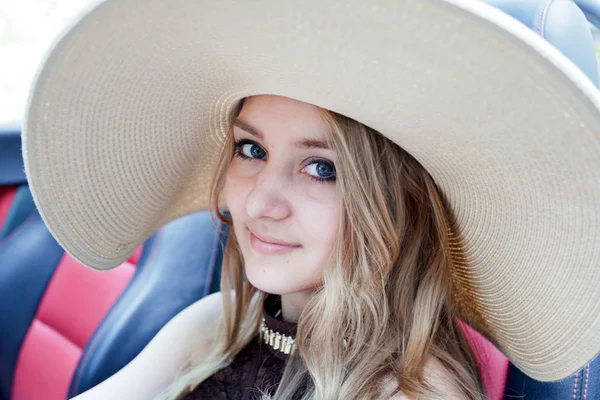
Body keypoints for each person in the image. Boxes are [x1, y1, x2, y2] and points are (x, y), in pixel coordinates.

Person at [22, 0, 600, 399]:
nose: (261, 202)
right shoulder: (218, 328)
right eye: (250, 150)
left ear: (400, 203)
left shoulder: (409, 390)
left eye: (320, 168)